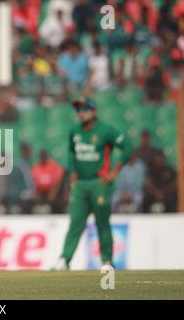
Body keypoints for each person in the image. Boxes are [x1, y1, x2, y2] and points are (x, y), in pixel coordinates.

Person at [55, 97, 132, 270]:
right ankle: (64, 260)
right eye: (78, 110)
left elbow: (127, 146)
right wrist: (73, 173)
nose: (80, 113)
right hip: (81, 185)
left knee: (102, 223)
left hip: (100, 183)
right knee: (75, 223)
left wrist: (114, 172)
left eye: (84, 109)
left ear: (94, 111)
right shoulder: (74, 131)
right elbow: (71, 152)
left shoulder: (106, 131)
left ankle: (106, 260)